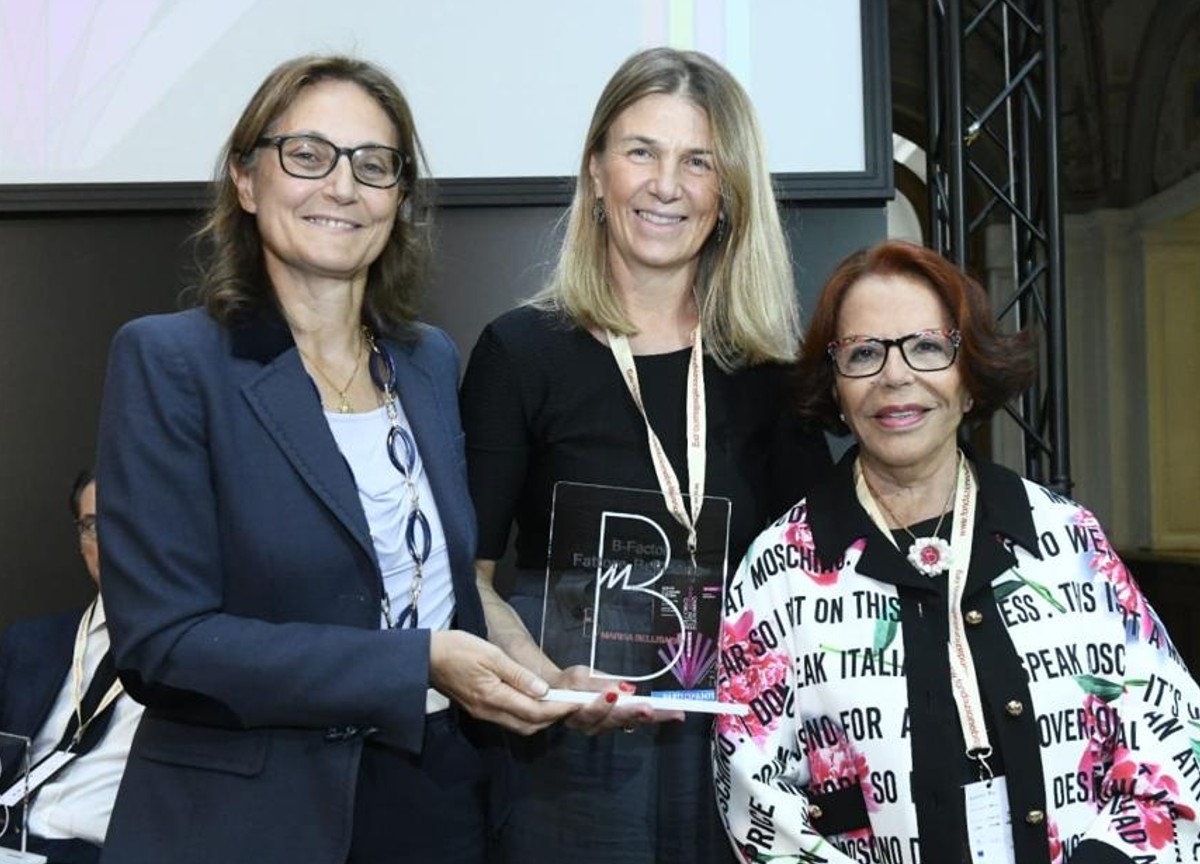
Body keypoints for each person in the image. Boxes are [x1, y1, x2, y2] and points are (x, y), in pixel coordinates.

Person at [94, 54, 570, 864]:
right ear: (246, 180)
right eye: (308, 155)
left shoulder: (425, 361)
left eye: (373, 165)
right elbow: (164, 645)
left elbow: (438, 584)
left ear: (399, 197)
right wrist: (416, 663)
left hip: (436, 800)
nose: (342, 187)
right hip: (251, 823)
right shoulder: (171, 361)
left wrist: (538, 674)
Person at [460, 47, 832, 864]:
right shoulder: (519, 354)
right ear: (597, 172)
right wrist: (544, 681)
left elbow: (822, 582)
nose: (667, 185)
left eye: (698, 161)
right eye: (641, 152)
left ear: (727, 195)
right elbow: (467, 580)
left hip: (743, 756)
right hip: (569, 759)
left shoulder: (769, 372)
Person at [715, 239, 1200, 863]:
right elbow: (754, 793)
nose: (896, 376)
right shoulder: (779, 570)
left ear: (968, 378)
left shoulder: (1067, 540)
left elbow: (1176, 740)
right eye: (863, 353)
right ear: (835, 389)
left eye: (926, 347)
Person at [0, 470, 143, 864]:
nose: (111, 542)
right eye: (94, 525)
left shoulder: (201, 659)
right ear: (81, 541)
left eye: (125, 521)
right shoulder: (29, 642)